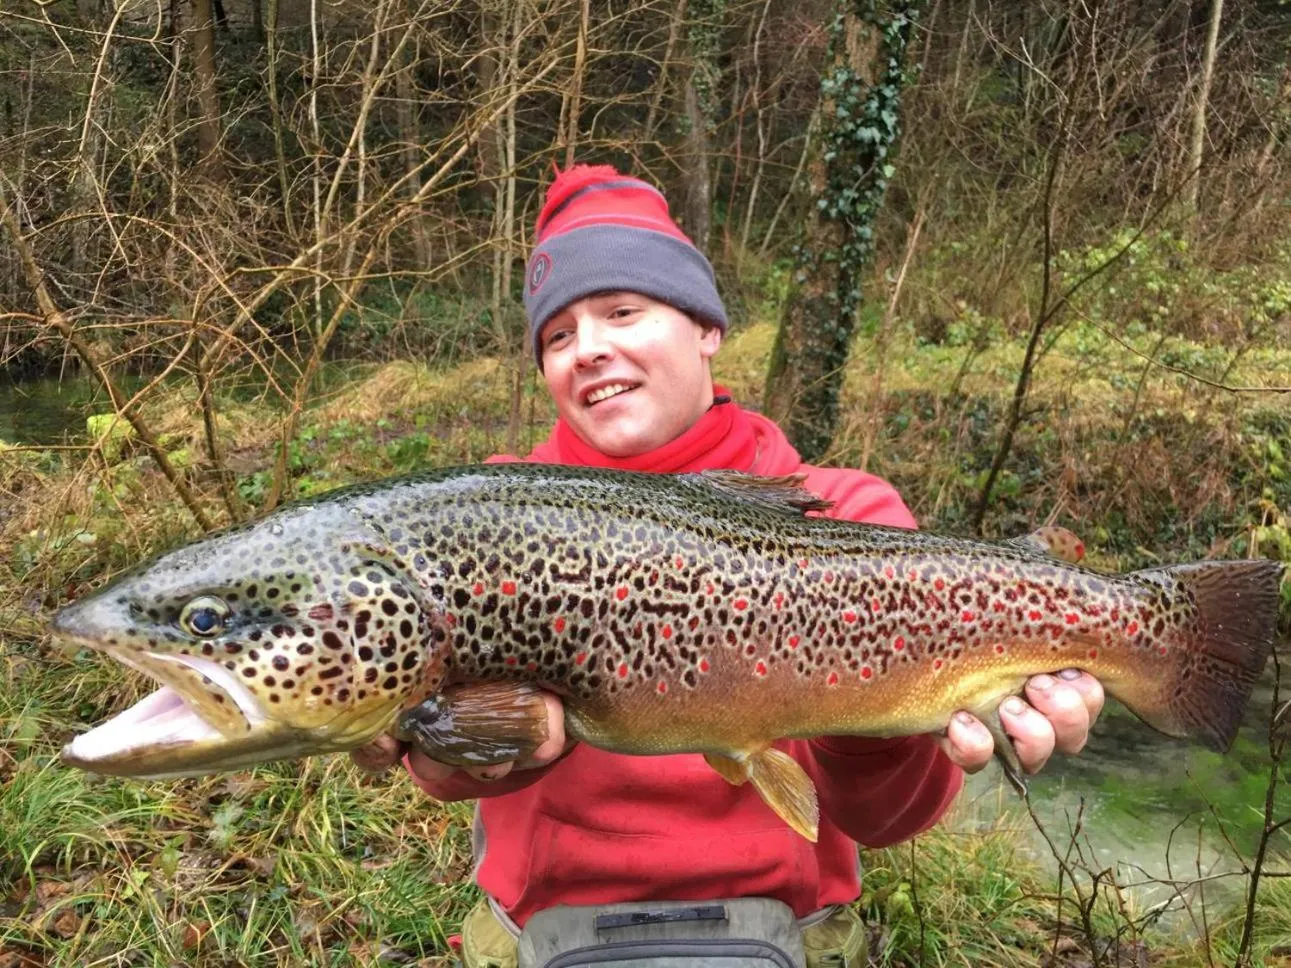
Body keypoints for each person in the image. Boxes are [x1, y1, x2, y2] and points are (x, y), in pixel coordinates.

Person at [354, 164, 1104, 968]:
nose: (589, 350)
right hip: (542, 938)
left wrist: (872, 715)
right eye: (558, 334)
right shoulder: (479, 520)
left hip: (791, 935)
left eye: (621, 311)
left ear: (706, 327)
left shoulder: (849, 516)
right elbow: (443, 766)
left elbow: (888, 822)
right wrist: (441, 742)